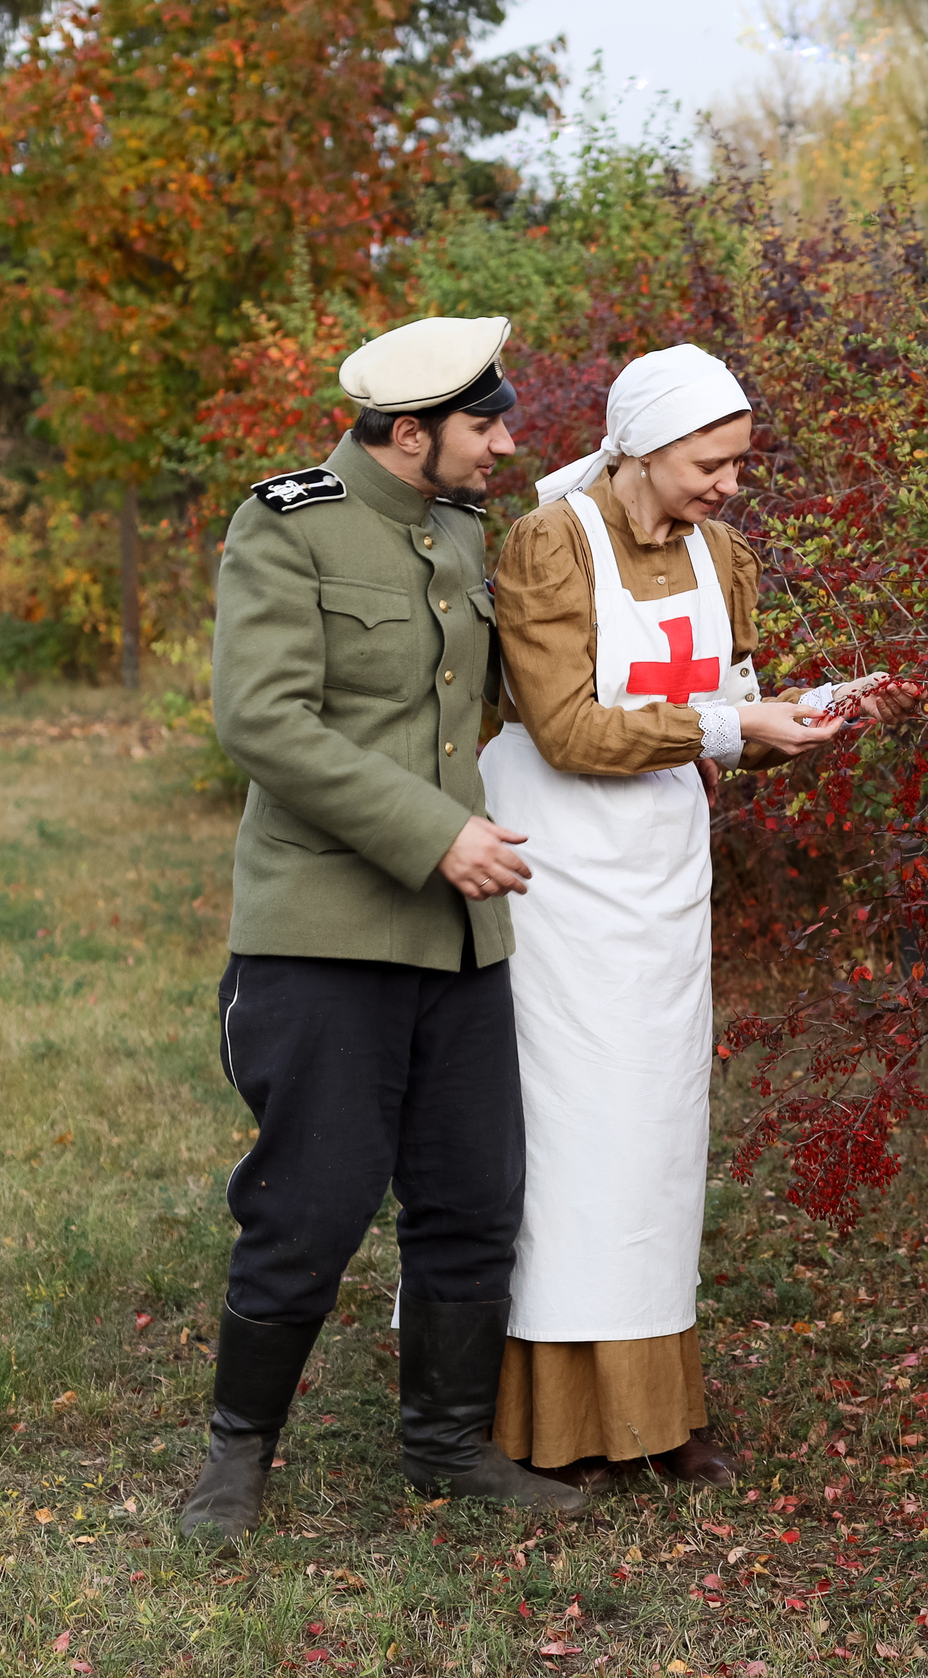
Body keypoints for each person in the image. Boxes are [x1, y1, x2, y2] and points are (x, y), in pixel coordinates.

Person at [183, 315, 590, 1549]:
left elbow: (534, 691)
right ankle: (233, 1464)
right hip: (325, 930)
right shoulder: (287, 525)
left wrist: (734, 723)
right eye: (485, 426)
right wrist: (431, 833)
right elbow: (262, 720)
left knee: (475, 1196)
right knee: (308, 1207)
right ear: (410, 433)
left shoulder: (465, 532)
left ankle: (447, 1447)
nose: (506, 444)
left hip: (459, 940)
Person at [484, 344, 916, 1489]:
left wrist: (803, 723)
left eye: (737, 465)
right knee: (575, 1145)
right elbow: (569, 730)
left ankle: (658, 1414)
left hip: (665, 884)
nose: (728, 485)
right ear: (639, 447)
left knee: (660, 1147)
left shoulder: (723, 556)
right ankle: (559, 1424)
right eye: (707, 463)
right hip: (558, 878)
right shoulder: (550, 543)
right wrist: (737, 728)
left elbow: (725, 717)